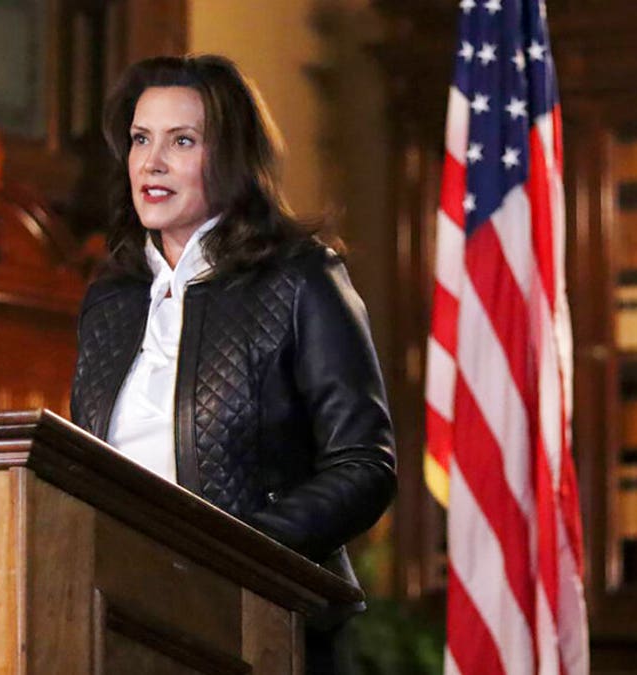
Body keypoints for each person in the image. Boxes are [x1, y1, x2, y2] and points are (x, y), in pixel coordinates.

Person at [69, 54, 397, 673]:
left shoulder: (302, 277)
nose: (152, 163)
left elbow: (365, 465)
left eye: (182, 141)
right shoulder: (109, 299)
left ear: (231, 158)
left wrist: (236, 554)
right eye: (141, 140)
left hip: (265, 621)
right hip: (123, 619)